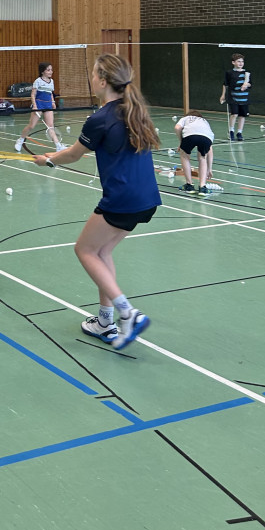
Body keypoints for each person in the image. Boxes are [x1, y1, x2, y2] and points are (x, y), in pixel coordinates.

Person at [32, 53, 160, 351]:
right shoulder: (135, 110)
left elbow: (74, 154)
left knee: (85, 249)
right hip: (147, 198)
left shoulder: (100, 119)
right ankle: (105, 321)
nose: (91, 78)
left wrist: (48, 160)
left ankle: (127, 313)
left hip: (122, 199)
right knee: (102, 252)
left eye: (93, 74)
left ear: (103, 81)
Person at [15, 62, 67, 153]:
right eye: (48, 70)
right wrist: (35, 106)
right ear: (43, 72)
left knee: (50, 126)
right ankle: (20, 140)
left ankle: (58, 146)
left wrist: (53, 102)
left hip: (48, 105)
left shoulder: (52, 81)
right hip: (38, 105)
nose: (51, 72)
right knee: (31, 126)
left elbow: (50, 93)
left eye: (51, 70)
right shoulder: (38, 81)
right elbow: (33, 94)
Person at [174, 113, 214, 195]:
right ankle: (202, 187)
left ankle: (189, 185)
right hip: (207, 138)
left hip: (189, 136)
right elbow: (210, 150)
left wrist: (181, 141)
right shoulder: (204, 121)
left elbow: (177, 127)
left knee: (184, 156)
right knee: (203, 158)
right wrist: (209, 169)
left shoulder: (185, 118)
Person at [220, 52, 250, 141]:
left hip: (244, 98)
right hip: (233, 97)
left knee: (242, 116)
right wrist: (223, 95)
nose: (241, 63)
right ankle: (231, 131)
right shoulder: (229, 73)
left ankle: (239, 132)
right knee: (234, 114)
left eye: (242, 61)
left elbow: (250, 84)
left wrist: (246, 85)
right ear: (233, 62)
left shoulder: (246, 73)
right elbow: (225, 84)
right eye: (238, 61)